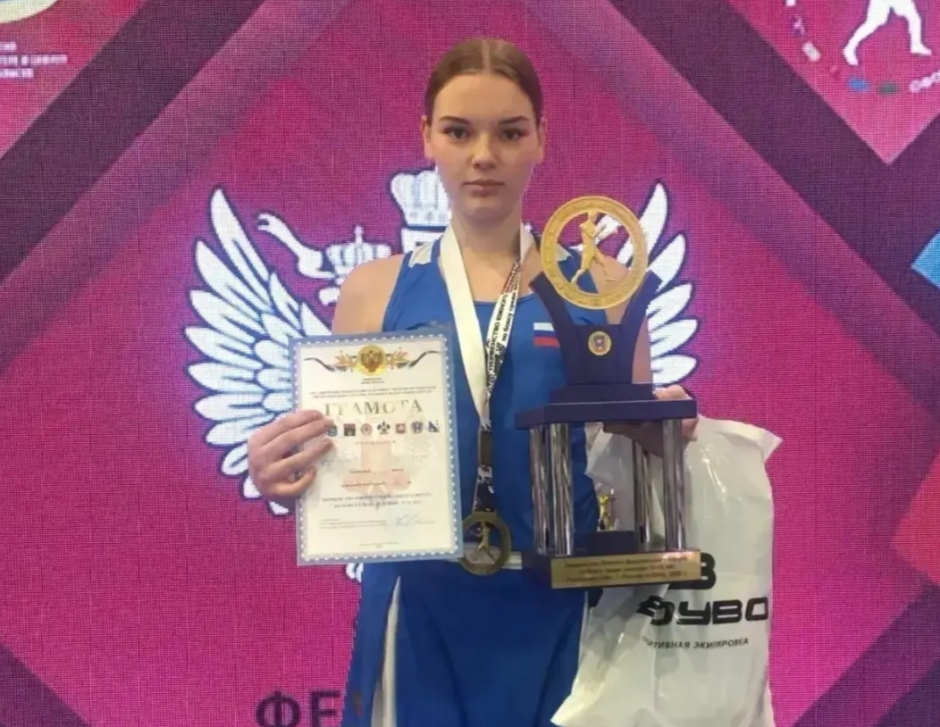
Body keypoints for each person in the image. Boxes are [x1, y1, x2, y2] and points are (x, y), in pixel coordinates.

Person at [245, 36, 695, 727]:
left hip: (565, 607)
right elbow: (340, 462)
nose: (484, 155)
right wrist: (285, 475)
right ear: (427, 137)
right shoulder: (372, 290)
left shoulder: (603, 286)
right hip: (417, 607)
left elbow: (628, 478)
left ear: (541, 139)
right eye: (459, 131)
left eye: (509, 132)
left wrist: (664, 437)